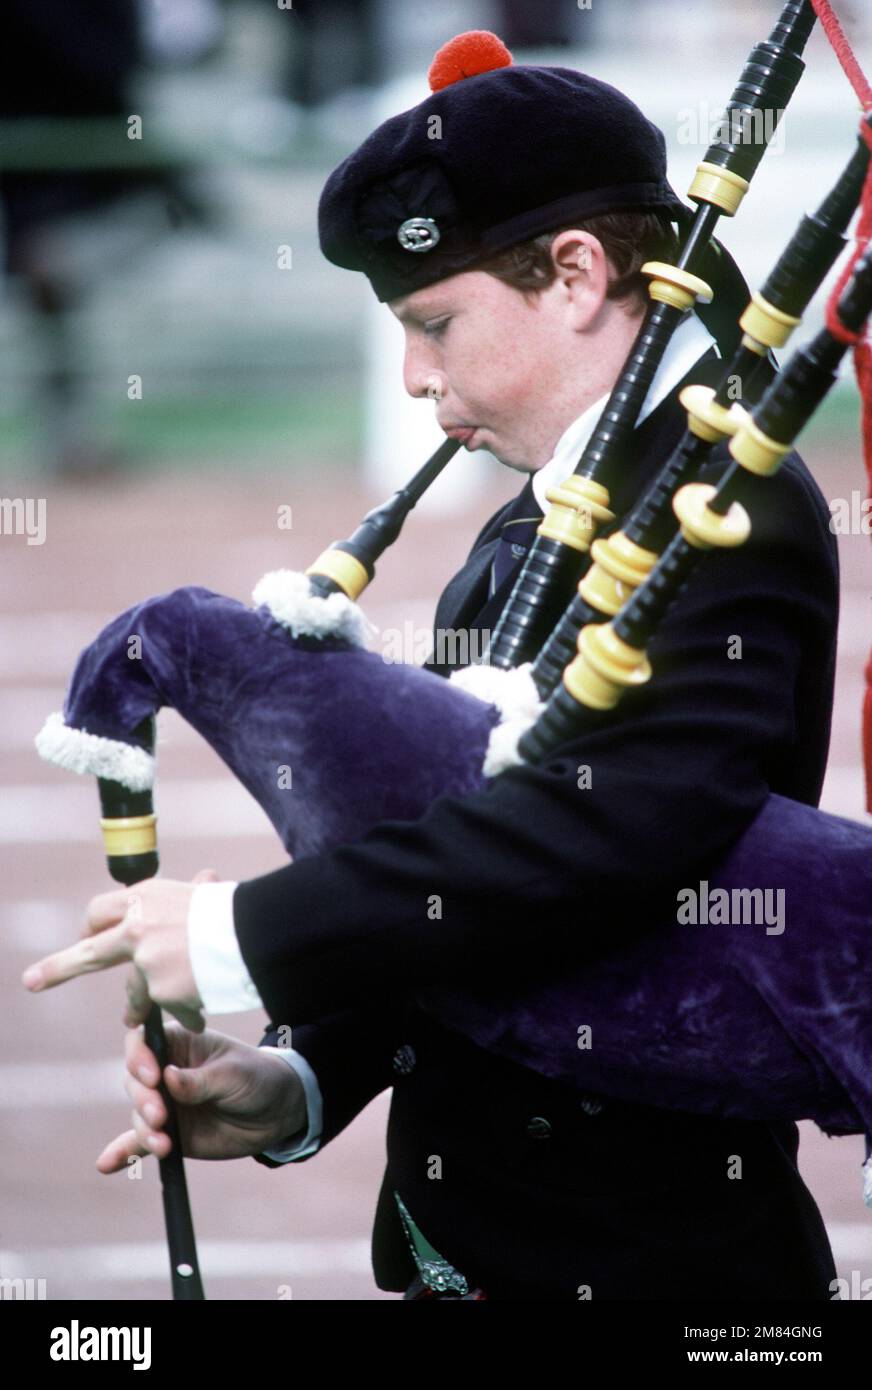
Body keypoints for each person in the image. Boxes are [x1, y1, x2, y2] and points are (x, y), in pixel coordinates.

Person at [25, 32, 841, 1300]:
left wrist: (247, 930)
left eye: (434, 323)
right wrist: (296, 1080)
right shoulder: (526, 520)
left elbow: (611, 833)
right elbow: (447, 856)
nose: (413, 377)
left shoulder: (731, 507)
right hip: (458, 1251)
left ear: (574, 274)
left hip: (657, 1272)